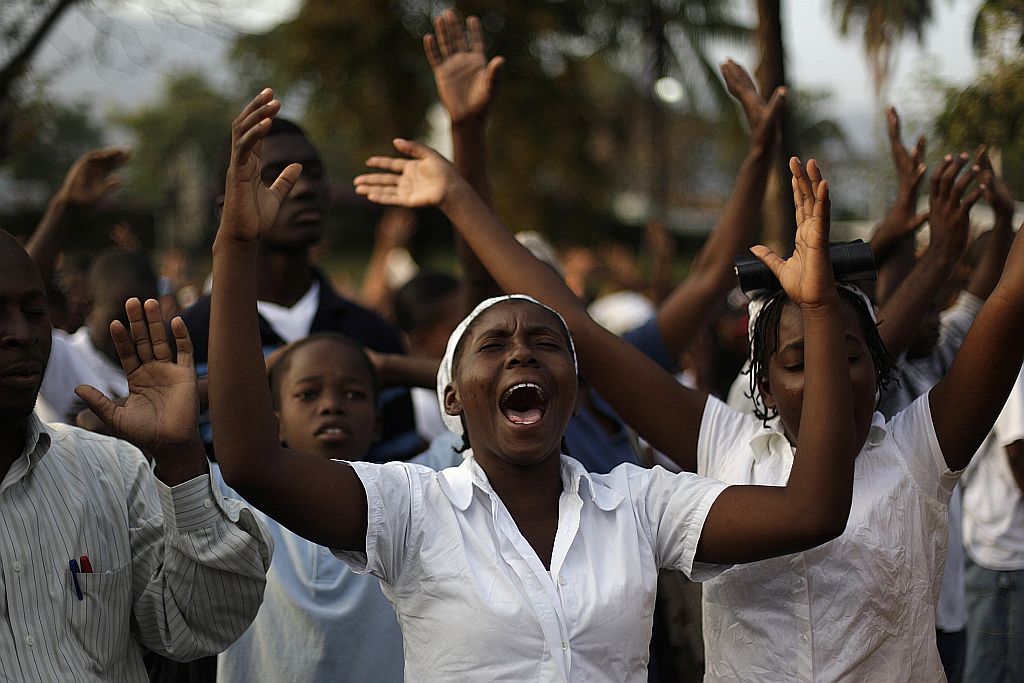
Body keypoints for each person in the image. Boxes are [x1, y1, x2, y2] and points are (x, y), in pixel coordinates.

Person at [208, 88, 865, 682]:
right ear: (452, 397)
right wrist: (235, 245)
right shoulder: (411, 507)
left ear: (572, 388)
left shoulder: (634, 504)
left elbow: (812, 510)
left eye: (545, 342)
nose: (521, 350)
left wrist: (820, 311)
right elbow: (251, 461)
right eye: (493, 344)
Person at [353, 113, 1024, 680]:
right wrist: (456, 196)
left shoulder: (920, 449)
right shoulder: (725, 446)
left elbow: (1009, 305)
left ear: (877, 368)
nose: (826, 375)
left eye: (847, 355)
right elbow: (575, 325)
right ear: (761, 385)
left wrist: (828, 302)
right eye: (797, 360)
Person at [0, 232, 272, 680]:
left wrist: (181, 458)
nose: (21, 334)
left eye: (33, 312)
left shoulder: (114, 471)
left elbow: (205, 624)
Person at [214, 332, 459, 682]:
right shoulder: (233, 491)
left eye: (354, 394)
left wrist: (389, 367)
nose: (331, 405)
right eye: (308, 394)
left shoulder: (417, 489)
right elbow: (150, 419)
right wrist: (257, 371)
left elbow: (487, 399)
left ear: (377, 424)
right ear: (275, 424)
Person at [177, 117, 421, 462]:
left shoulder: (374, 335)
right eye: (277, 176)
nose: (304, 188)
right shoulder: (187, 339)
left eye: (315, 173)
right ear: (227, 209)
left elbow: (402, 479)